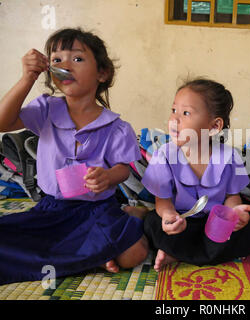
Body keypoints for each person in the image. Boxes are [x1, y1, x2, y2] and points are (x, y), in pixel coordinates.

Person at [0, 28, 148, 285]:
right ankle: (93, 256)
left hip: (97, 210)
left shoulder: (116, 127)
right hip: (52, 211)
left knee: (133, 253)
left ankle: (125, 220)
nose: (65, 65)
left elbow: (123, 169)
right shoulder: (46, 109)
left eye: (77, 59)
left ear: (102, 73)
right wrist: (27, 79)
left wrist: (108, 176)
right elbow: (3, 122)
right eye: (56, 60)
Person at [140, 78, 250, 271]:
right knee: (152, 222)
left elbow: (231, 197)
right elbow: (163, 201)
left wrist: (233, 214)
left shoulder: (229, 156)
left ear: (213, 126)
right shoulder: (165, 155)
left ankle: (177, 254)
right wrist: (169, 216)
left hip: (216, 225)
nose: (174, 120)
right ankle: (190, 252)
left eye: (186, 113)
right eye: (173, 110)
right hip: (183, 223)